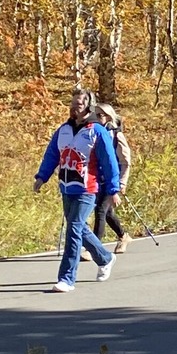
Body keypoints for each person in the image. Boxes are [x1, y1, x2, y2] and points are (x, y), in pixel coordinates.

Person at [34, 89, 120, 293]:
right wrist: (41, 177)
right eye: (72, 104)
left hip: (87, 188)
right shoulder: (63, 130)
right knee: (79, 227)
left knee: (73, 228)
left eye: (79, 104)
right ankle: (105, 258)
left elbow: (110, 162)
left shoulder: (96, 131)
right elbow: (52, 154)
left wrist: (113, 189)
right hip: (67, 187)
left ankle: (66, 278)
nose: (74, 108)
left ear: (88, 107)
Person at [86, 103, 133, 257]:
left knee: (100, 210)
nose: (98, 118)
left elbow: (125, 161)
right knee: (107, 213)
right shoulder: (92, 132)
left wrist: (122, 183)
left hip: (112, 179)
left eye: (101, 115)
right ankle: (123, 236)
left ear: (109, 117)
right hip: (96, 179)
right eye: (96, 115)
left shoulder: (115, 135)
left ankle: (93, 248)